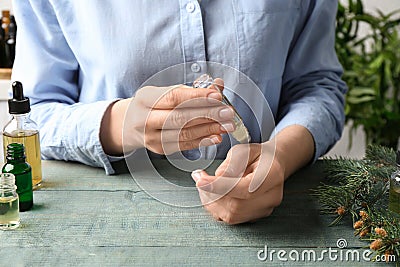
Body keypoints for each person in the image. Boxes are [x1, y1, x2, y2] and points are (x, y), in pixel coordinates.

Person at [11, 0, 347, 224]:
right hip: (103, 220)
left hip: (272, 216)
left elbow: (318, 86)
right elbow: (33, 113)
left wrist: (279, 155)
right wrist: (121, 124)